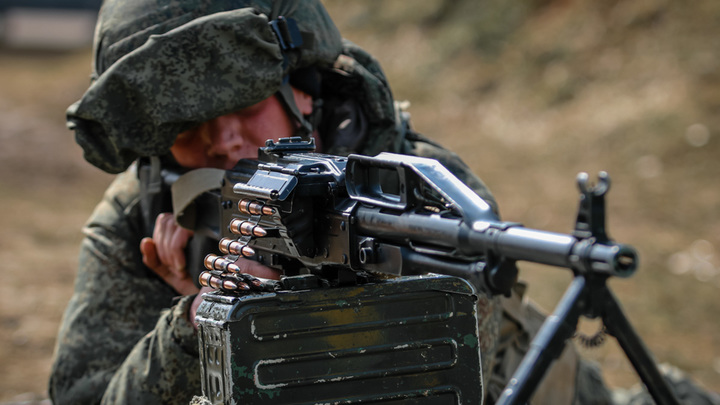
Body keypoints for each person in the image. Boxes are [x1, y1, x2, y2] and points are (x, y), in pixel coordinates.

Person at [48, 0, 719, 404]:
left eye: (247, 108)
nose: (224, 142)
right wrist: (195, 327)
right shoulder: (141, 218)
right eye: (186, 131)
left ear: (304, 90)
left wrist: (302, 301)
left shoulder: (414, 191)